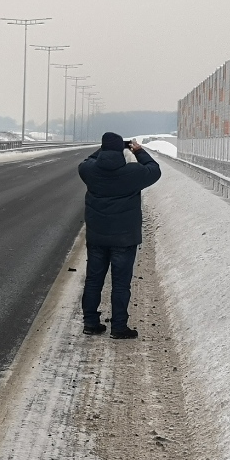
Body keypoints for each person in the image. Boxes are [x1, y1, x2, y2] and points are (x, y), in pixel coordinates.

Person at [78, 132, 161, 338]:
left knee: (93, 280)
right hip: (125, 238)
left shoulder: (90, 171)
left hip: (97, 237)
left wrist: (104, 148)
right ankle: (119, 327)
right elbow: (154, 170)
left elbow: (87, 161)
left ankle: (90, 323)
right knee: (121, 284)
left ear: (103, 148)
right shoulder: (133, 173)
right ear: (120, 150)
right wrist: (139, 151)